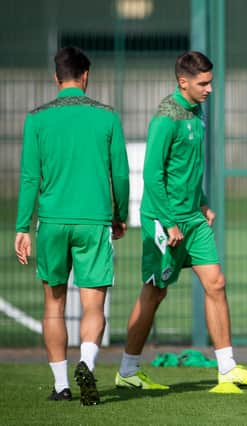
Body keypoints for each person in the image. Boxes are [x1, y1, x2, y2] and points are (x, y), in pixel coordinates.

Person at [115, 51, 247, 395]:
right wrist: (169, 222)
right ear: (183, 82)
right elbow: (152, 175)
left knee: (216, 283)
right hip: (164, 222)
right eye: (203, 83)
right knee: (155, 293)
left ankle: (227, 368)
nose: (210, 89)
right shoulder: (165, 119)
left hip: (193, 220)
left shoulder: (197, 112)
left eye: (211, 81)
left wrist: (201, 202)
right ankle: (127, 369)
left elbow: (190, 165)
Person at [14, 46, 130, 406]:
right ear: (85, 75)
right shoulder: (107, 116)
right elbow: (121, 174)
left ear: (56, 77)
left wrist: (22, 227)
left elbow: (30, 177)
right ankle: (87, 363)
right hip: (94, 221)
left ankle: (62, 384)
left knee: (54, 304)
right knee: (94, 306)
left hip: (51, 222)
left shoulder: (37, 119)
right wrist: (119, 214)